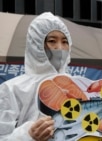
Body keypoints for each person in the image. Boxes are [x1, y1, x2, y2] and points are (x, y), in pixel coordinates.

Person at [0, 12, 72, 140]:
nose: (60, 48)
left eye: (65, 41)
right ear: (36, 44)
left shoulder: (76, 84)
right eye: (52, 41)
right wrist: (27, 135)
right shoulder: (12, 89)